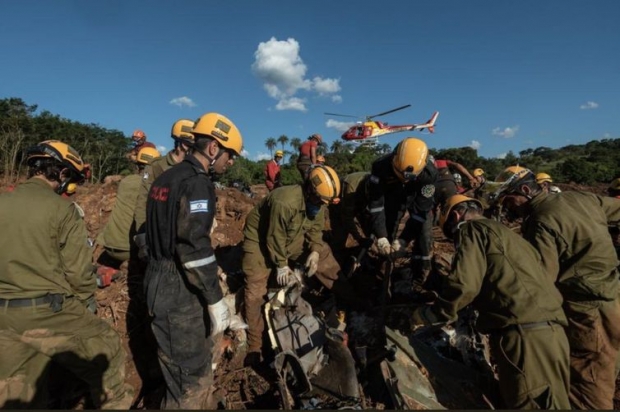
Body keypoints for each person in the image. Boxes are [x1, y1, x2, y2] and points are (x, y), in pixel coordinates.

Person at [0, 140, 134, 409]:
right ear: (61, 173)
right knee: (107, 345)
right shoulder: (63, 210)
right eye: (70, 178)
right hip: (45, 312)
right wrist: (86, 305)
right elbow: (78, 274)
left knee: (16, 391)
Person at [411, 194, 570, 409]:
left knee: (530, 403)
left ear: (456, 216)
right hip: (552, 333)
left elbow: (464, 285)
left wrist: (428, 315)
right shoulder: (509, 236)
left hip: (524, 337)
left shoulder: (471, 230)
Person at [492, 166, 620, 409]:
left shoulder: (541, 221)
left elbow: (542, 280)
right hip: (613, 296)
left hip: (586, 312)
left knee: (587, 380)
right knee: (607, 361)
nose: (508, 206)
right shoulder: (580, 198)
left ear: (526, 190)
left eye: (509, 199)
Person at [144, 112, 243, 409]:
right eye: (230, 155)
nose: (232, 162)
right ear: (214, 148)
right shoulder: (197, 183)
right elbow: (194, 247)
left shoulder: (166, 176)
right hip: (177, 288)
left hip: (158, 275)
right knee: (191, 377)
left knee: (178, 368)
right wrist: (215, 299)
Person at [242, 164, 359, 366]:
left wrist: (313, 250)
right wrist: (280, 265)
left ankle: (352, 298)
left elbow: (315, 229)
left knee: (323, 255)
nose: (322, 205)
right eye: (320, 201)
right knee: (255, 289)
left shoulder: (318, 204)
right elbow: (273, 236)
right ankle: (256, 346)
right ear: (309, 190)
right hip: (260, 242)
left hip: (291, 238)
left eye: (325, 203)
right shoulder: (284, 201)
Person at [369, 137, 438, 298]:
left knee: (424, 233)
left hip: (417, 197)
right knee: (388, 226)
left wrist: (404, 240)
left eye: (410, 177)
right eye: (401, 174)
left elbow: (421, 212)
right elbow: (376, 205)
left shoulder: (429, 174)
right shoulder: (380, 167)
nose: (405, 179)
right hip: (392, 197)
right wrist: (381, 236)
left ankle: (421, 277)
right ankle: (383, 280)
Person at [96, 146, 161, 287]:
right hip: (127, 251)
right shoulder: (153, 186)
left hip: (108, 245)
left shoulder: (126, 182)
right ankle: (126, 270)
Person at [134, 119, 195, 237]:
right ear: (184, 145)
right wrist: (142, 233)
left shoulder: (192, 169)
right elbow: (143, 200)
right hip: (158, 232)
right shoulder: (156, 166)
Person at [329, 171, 372, 251]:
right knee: (341, 232)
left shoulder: (377, 182)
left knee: (370, 224)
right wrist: (359, 239)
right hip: (339, 203)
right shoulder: (351, 189)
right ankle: (338, 253)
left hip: (360, 199)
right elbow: (347, 217)